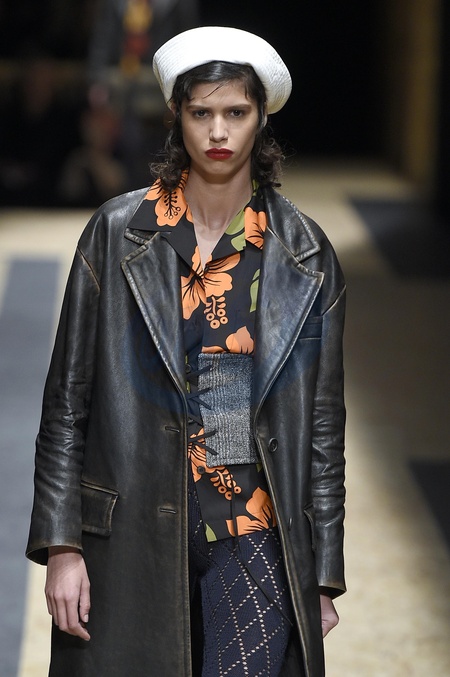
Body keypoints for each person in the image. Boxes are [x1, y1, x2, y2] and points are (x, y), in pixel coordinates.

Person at [26, 26, 346, 677]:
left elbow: (320, 424)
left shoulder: (305, 255)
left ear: (262, 118)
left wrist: (320, 571)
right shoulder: (116, 234)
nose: (218, 131)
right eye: (202, 113)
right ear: (177, 115)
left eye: (236, 112)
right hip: (133, 527)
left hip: (249, 529)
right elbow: (67, 402)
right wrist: (62, 544)